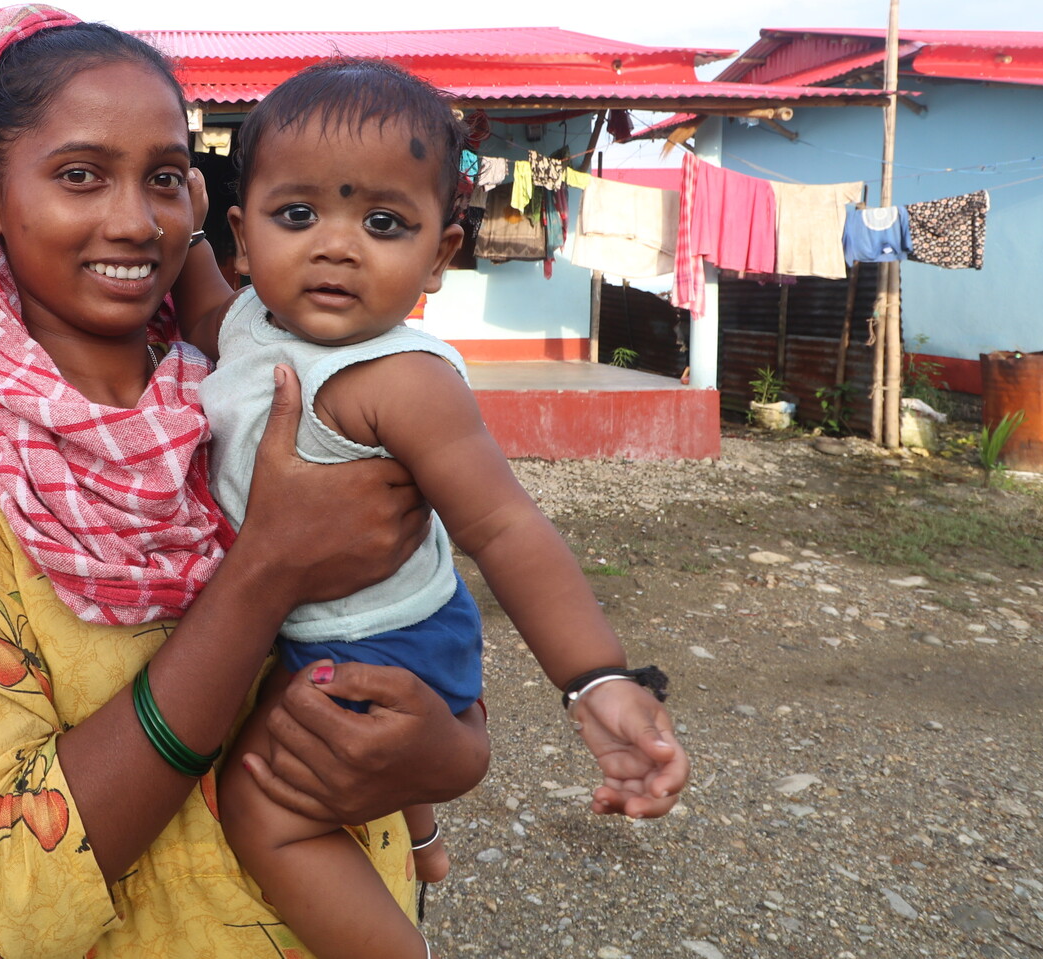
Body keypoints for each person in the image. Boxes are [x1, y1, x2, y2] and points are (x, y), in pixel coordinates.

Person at [0, 8, 492, 956]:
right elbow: (4, 881)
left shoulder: (247, 394)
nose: (131, 219)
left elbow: (408, 621)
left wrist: (454, 753)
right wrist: (264, 569)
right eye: (79, 175)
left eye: (160, 178)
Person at [169, 59, 690, 959]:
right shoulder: (253, 319)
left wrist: (598, 677)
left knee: (261, 801)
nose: (336, 245)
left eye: (382, 222)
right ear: (243, 237)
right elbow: (202, 298)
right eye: (297, 215)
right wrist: (171, 230)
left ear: (438, 256)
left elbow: (502, 527)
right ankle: (419, 836)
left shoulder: (402, 381)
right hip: (299, 615)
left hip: (381, 639)